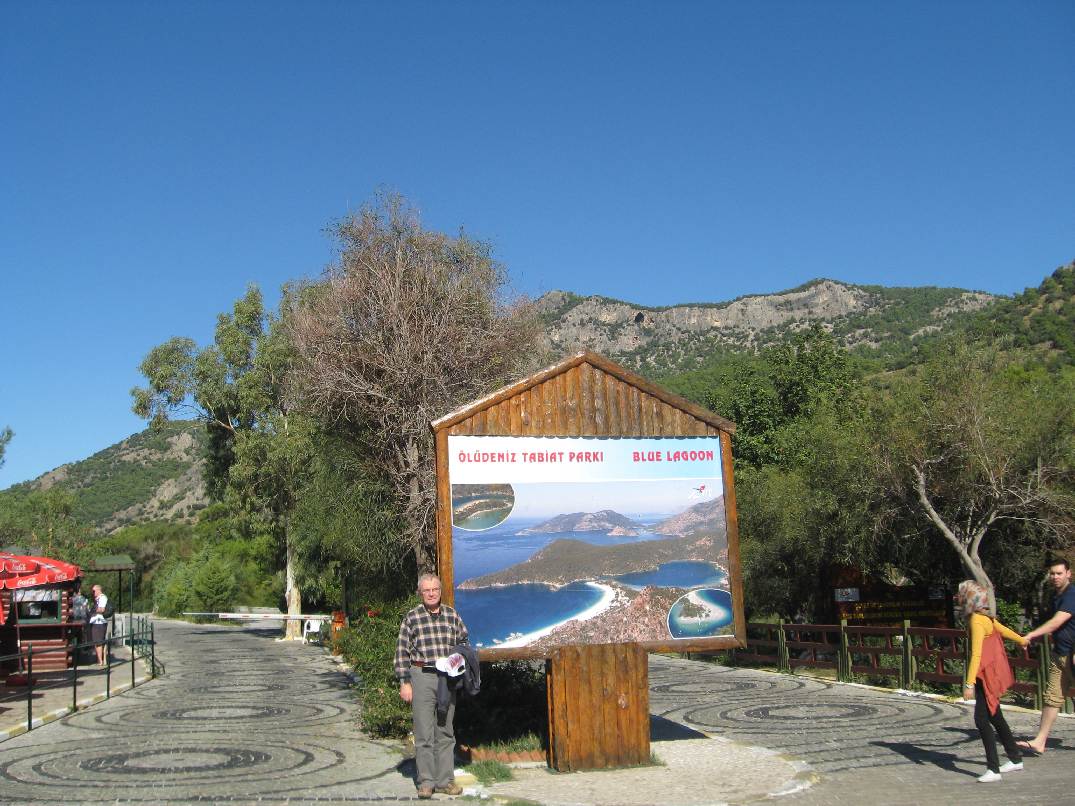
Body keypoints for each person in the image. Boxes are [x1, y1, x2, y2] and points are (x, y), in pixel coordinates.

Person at [395, 573, 469, 799]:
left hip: (447, 679)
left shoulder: (451, 615)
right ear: (420, 593)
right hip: (422, 676)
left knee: (445, 731)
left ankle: (445, 781)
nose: (431, 593)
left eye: (434, 589)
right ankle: (426, 782)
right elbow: (402, 651)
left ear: (440, 591)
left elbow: (464, 642)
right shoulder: (412, 617)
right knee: (424, 732)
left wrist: (456, 661)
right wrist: (404, 682)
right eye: (426, 590)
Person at [957, 580, 1028, 782]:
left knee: (981, 720)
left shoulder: (976, 620)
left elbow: (976, 655)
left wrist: (969, 684)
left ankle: (993, 769)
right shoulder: (985, 617)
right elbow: (1003, 630)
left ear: (967, 600)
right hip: (989, 673)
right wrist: (1022, 640)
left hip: (984, 675)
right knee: (995, 716)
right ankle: (1014, 758)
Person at [1018, 558, 1075, 754]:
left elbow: (1056, 622)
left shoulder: (1071, 594)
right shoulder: (1055, 596)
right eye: (1052, 574)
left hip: (1072, 655)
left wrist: (1031, 635)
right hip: (1060, 654)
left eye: (1059, 573)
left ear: (1068, 574)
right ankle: (1040, 741)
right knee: (1052, 697)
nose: (1055, 577)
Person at [89, 584, 109, 666]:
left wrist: (93, 610)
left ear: (98, 590)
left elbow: (102, 609)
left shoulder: (102, 598)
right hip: (96, 622)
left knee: (99, 642)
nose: (93, 592)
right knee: (97, 641)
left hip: (99, 622)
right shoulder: (97, 599)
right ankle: (99, 660)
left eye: (93, 591)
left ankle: (100, 661)